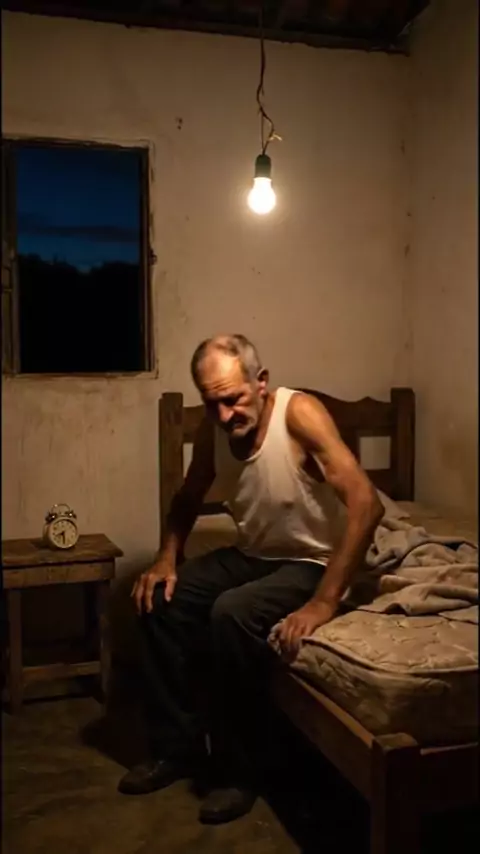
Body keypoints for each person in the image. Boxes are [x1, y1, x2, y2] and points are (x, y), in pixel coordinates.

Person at [118, 334, 383, 824]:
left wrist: (324, 602)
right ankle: (176, 749)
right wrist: (166, 558)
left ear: (261, 383)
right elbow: (188, 496)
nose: (224, 415)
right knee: (159, 598)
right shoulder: (213, 431)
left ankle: (242, 770)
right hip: (254, 554)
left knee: (232, 613)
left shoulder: (299, 414)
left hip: (313, 560)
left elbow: (367, 504)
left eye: (233, 400)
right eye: (211, 403)